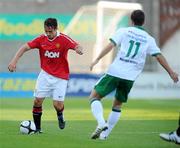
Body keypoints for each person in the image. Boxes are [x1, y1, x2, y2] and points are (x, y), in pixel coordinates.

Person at [89, 10, 179, 140]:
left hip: (115, 72)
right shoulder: (148, 39)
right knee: (118, 105)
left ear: (131, 20)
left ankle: (101, 123)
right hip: (130, 77)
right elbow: (158, 56)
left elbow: (111, 45)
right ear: (144, 22)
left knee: (94, 97)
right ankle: (104, 136)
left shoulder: (124, 31)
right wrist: (171, 72)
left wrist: (97, 59)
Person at [8, 18, 83, 133]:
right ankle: (37, 129)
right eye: (46, 31)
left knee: (57, 105)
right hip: (45, 75)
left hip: (61, 77)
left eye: (50, 31)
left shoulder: (63, 39)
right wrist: (14, 61)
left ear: (56, 29)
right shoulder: (41, 39)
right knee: (37, 101)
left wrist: (79, 49)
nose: (48, 34)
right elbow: (25, 47)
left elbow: (76, 45)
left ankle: (60, 115)